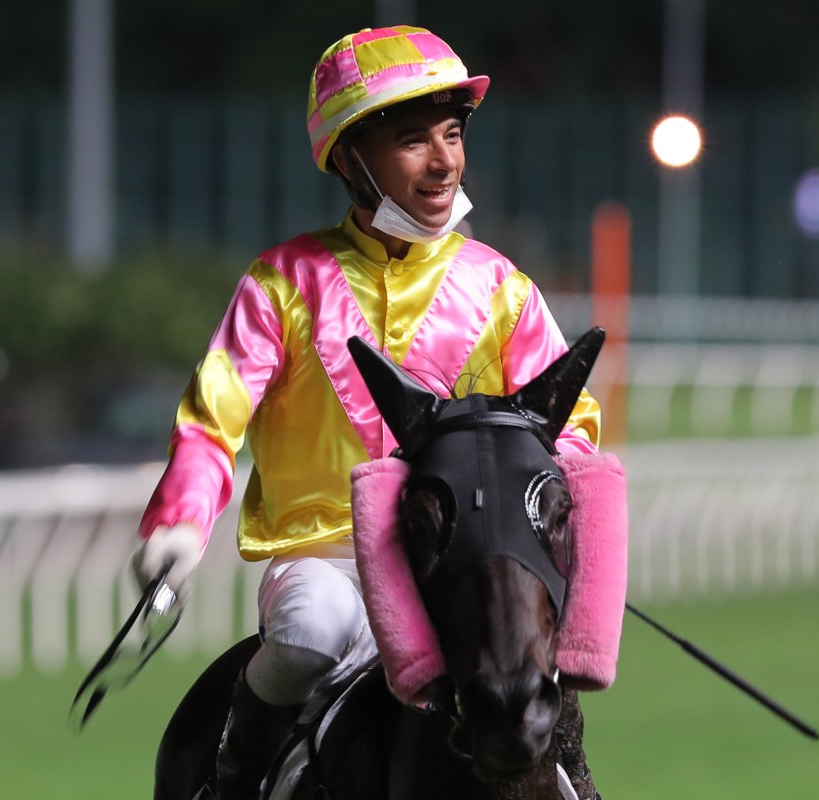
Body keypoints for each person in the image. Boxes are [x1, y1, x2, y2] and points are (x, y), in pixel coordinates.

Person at [132, 25, 602, 800]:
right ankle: (232, 778)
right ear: (351, 160)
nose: (444, 159)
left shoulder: (502, 288)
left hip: (458, 561)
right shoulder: (281, 283)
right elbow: (216, 416)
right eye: (413, 141)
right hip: (326, 558)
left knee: (524, 661)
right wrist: (178, 523)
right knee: (310, 633)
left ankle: (575, 776)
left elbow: (571, 421)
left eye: (452, 135)